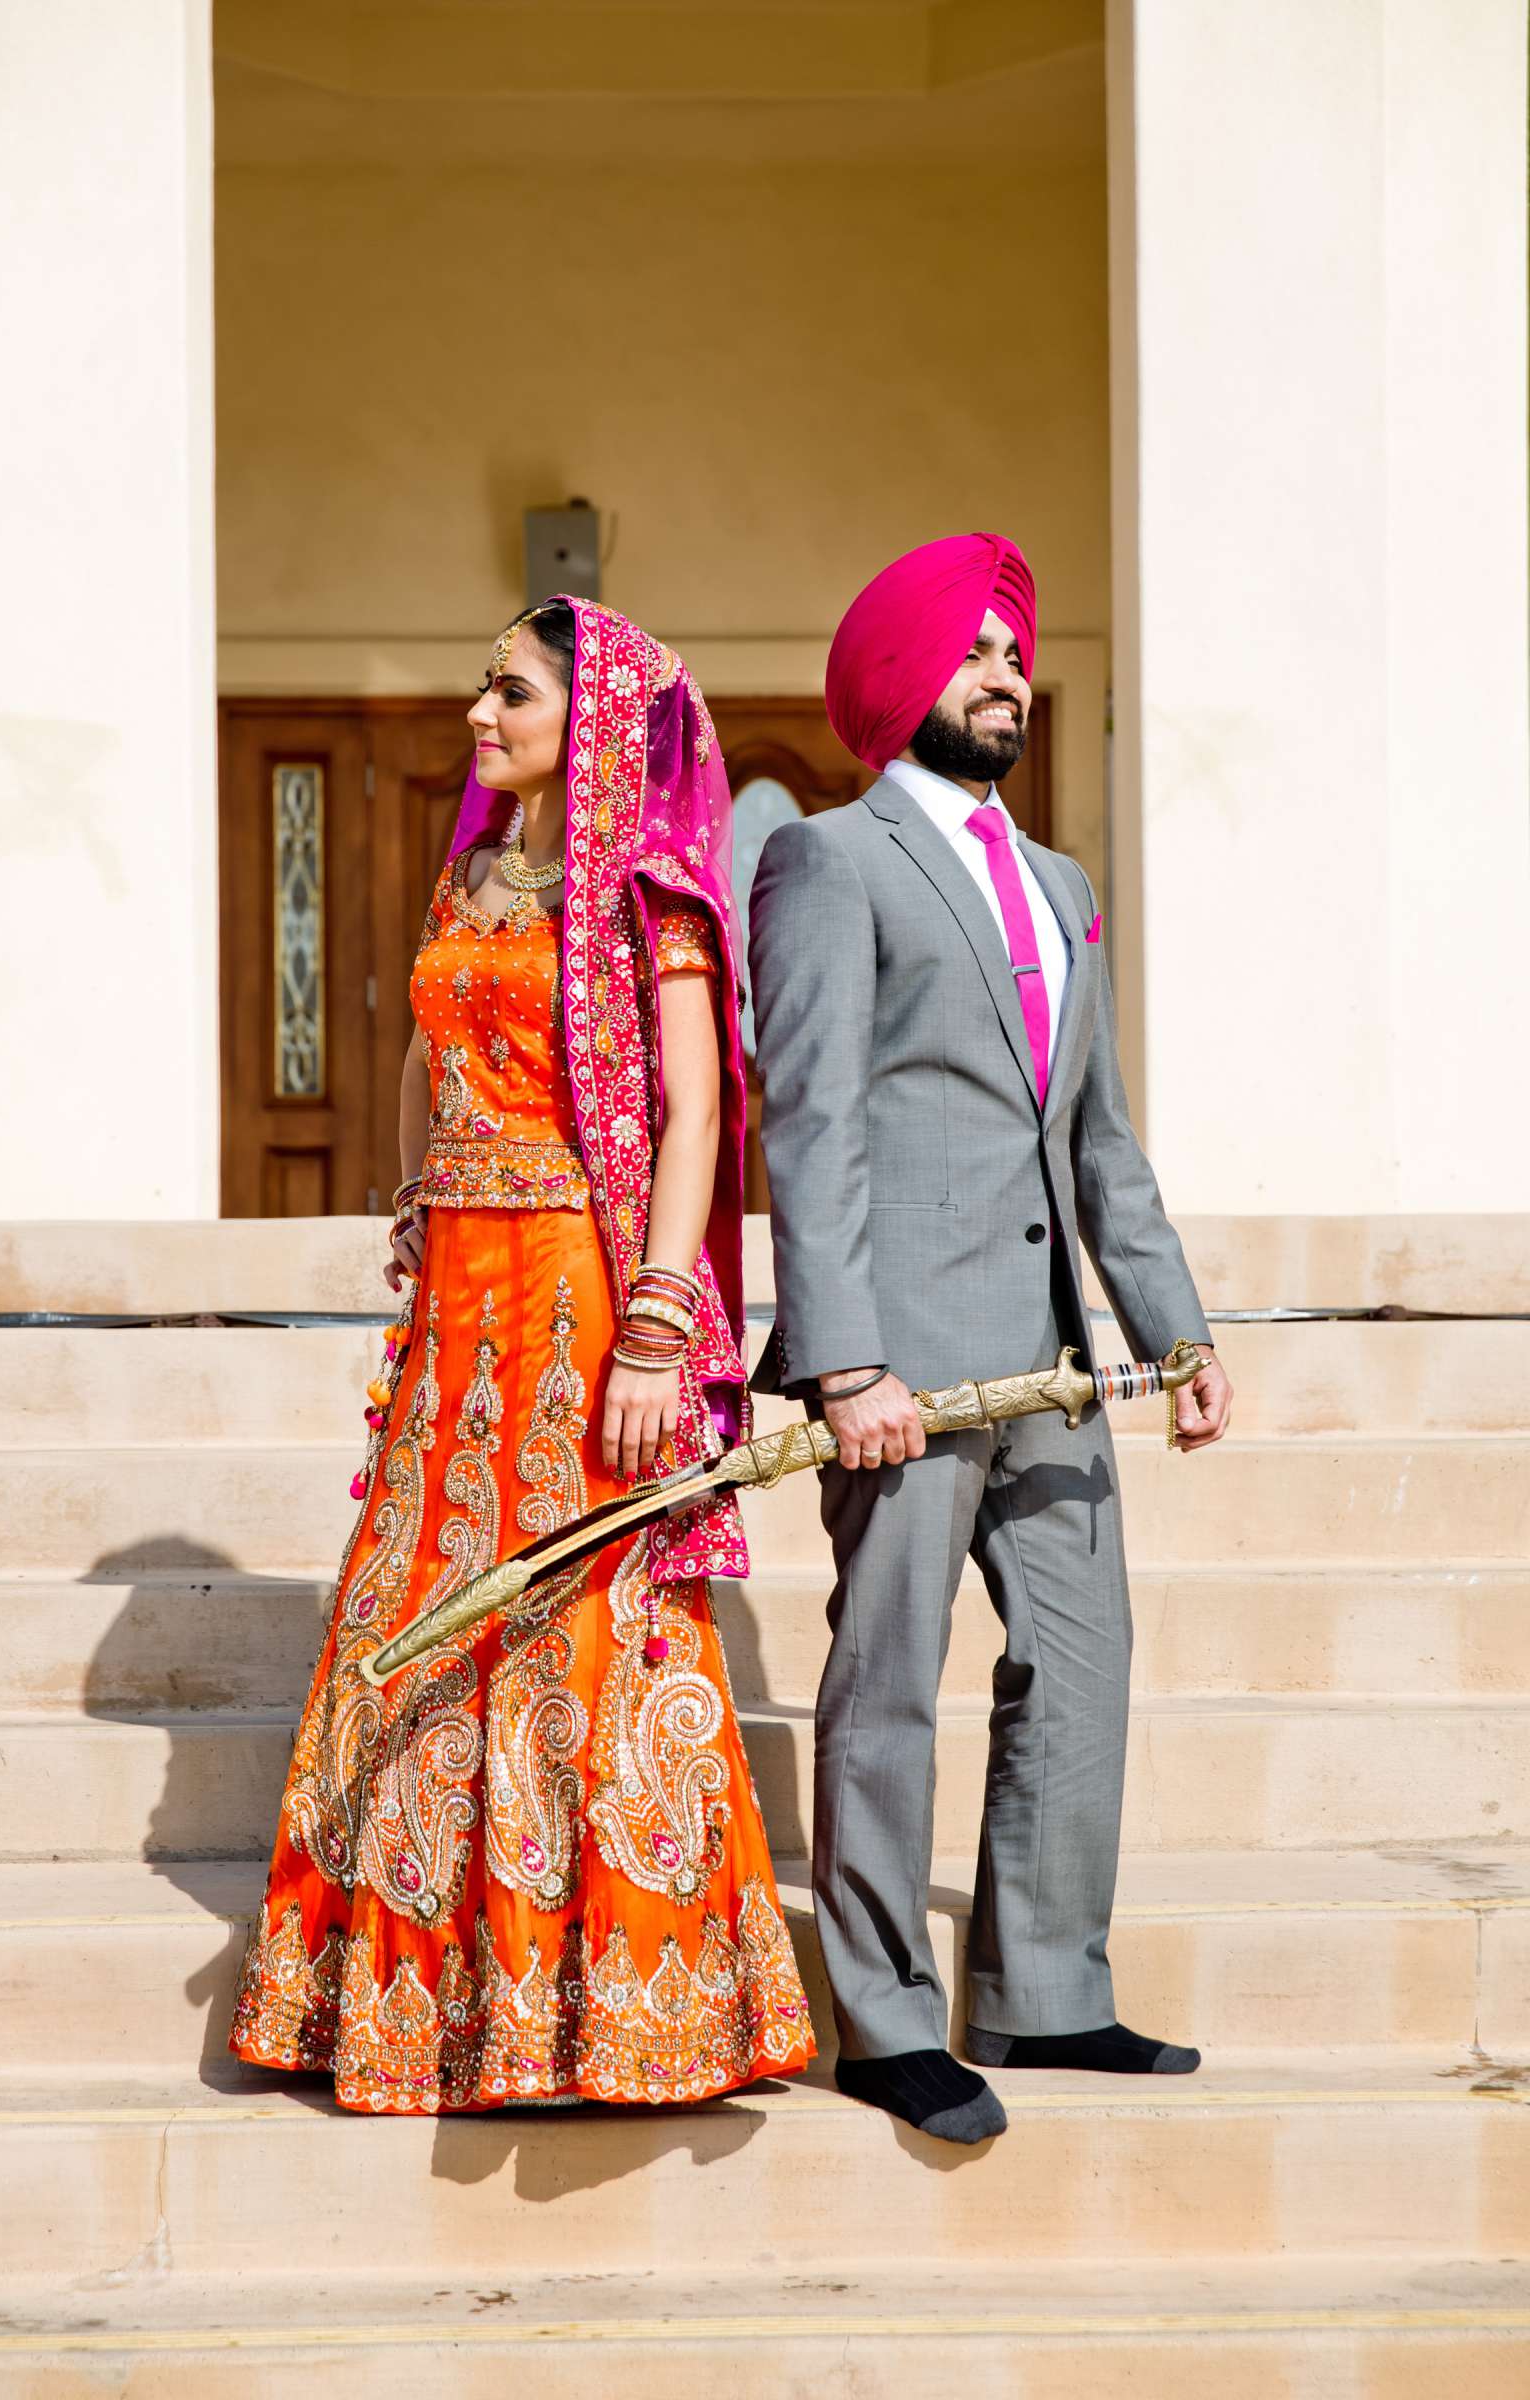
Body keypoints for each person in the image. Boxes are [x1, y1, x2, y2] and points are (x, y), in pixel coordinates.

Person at [231, 596, 814, 2111]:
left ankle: (615, 2007)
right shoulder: (475, 877)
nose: (478, 716)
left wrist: (660, 1325)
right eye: (480, 687)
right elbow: (432, 1062)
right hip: (458, 1311)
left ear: (594, 713)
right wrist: (427, 1195)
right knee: (419, 1612)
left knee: (579, 1621)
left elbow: (695, 1114)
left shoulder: (652, 899)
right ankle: (419, 1999)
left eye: (510, 691)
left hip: (575, 1287)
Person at [747, 532, 1232, 2145]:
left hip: (1055, 1364)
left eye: (1015, 651)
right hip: (904, 1361)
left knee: (1082, 1662)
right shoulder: (831, 859)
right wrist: (842, 1362)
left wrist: (1175, 1333)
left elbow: (1097, 1138)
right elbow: (809, 1129)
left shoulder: (1067, 886)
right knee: (889, 1681)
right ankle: (884, 2021)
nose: (1004, 675)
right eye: (971, 651)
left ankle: (1043, 1993)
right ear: (900, 681)